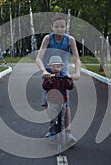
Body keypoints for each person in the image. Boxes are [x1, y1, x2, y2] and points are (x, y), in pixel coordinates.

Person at [36, 13, 81, 144]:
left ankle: (68, 132)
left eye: (62, 26)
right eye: (57, 26)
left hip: (63, 75)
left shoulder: (70, 40)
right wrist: (44, 71)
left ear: (66, 27)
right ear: (52, 27)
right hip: (48, 75)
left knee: (65, 104)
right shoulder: (47, 39)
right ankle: (53, 128)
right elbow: (39, 58)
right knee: (47, 103)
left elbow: (77, 58)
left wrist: (77, 73)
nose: (60, 29)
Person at [42, 56, 74, 143]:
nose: (56, 69)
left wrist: (70, 80)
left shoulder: (63, 78)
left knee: (62, 120)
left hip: (62, 102)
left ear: (61, 67)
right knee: (53, 119)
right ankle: (52, 134)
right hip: (52, 102)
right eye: (54, 66)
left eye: (58, 67)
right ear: (50, 67)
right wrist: (48, 79)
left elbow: (69, 87)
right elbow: (45, 87)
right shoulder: (49, 77)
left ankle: (62, 135)